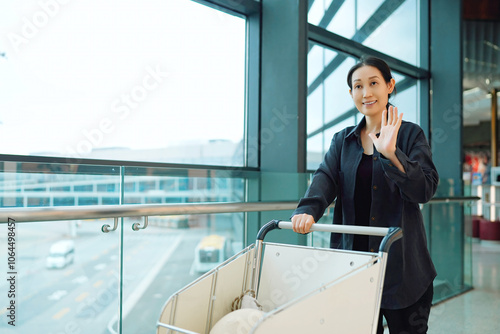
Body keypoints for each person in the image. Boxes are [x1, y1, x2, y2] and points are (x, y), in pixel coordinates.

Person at [291, 55, 438, 334]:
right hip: (354, 269)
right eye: (358, 86)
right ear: (351, 94)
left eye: (373, 83)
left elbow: (424, 190)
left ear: (390, 86)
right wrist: (307, 209)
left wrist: (391, 153)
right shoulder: (342, 141)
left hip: (404, 271)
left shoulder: (410, 135)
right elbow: (325, 177)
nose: (366, 92)